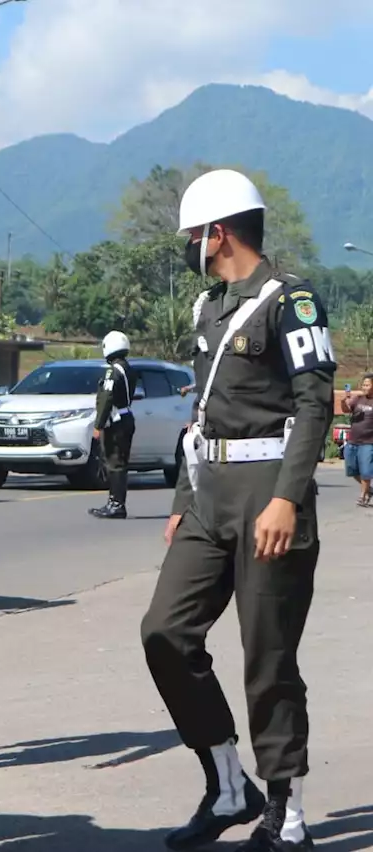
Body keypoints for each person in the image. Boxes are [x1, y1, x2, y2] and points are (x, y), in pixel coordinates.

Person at [140, 169, 334, 852]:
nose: (191, 244)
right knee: (165, 632)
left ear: (219, 232)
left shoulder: (290, 300)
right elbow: (201, 412)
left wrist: (287, 497)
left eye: (196, 233)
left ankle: (289, 811)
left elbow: (315, 402)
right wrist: (182, 500)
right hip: (208, 495)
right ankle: (227, 785)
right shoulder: (208, 307)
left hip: (266, 494)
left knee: (268, 658)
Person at [89, 330, 138, 520]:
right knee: (118, 462)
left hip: (116, 422)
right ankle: (114, 502)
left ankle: (116, 504)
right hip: (125, 418)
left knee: (115, 463)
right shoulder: (127, 368)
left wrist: (98, 424)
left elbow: (106, 398)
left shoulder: (113, 371)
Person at [340, 374, 373, 506]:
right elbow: (346, 410)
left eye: (367, 385)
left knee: (366, 471)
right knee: (351, 469)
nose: (365, 387)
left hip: (368, 442)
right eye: (363, 385)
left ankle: (363, 495)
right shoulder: (358, 399)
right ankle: (368, 490)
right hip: (353, 440)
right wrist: (343, 401)